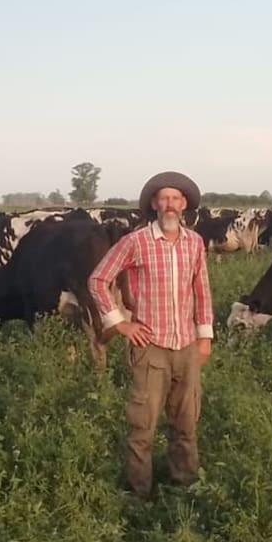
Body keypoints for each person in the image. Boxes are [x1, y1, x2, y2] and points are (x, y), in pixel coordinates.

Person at [87, 171, 213, 498]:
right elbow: (98, 280)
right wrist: (120, 323)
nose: (170, 204)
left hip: (186, 347)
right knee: (142, 426)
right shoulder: (136, 241)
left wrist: (204, 338)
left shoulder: (194, 243)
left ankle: (184, 486)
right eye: (164, 198)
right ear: (154, 204)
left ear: (184, 204)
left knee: (186, 423)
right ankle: (137, 492)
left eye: (176, 198)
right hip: (150, 348)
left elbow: (202, 291)